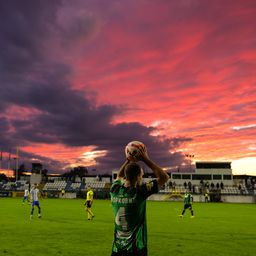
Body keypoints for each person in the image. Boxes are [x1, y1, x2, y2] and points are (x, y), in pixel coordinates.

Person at [110, 148, 169, 256]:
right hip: (136, 249)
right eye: (141, 175)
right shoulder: (140, 192)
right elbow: (164, 177)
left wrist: (128, 160)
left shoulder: (114, 189)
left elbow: (119, 175)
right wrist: (145, 159)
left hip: (117, 249)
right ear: (138, 177)